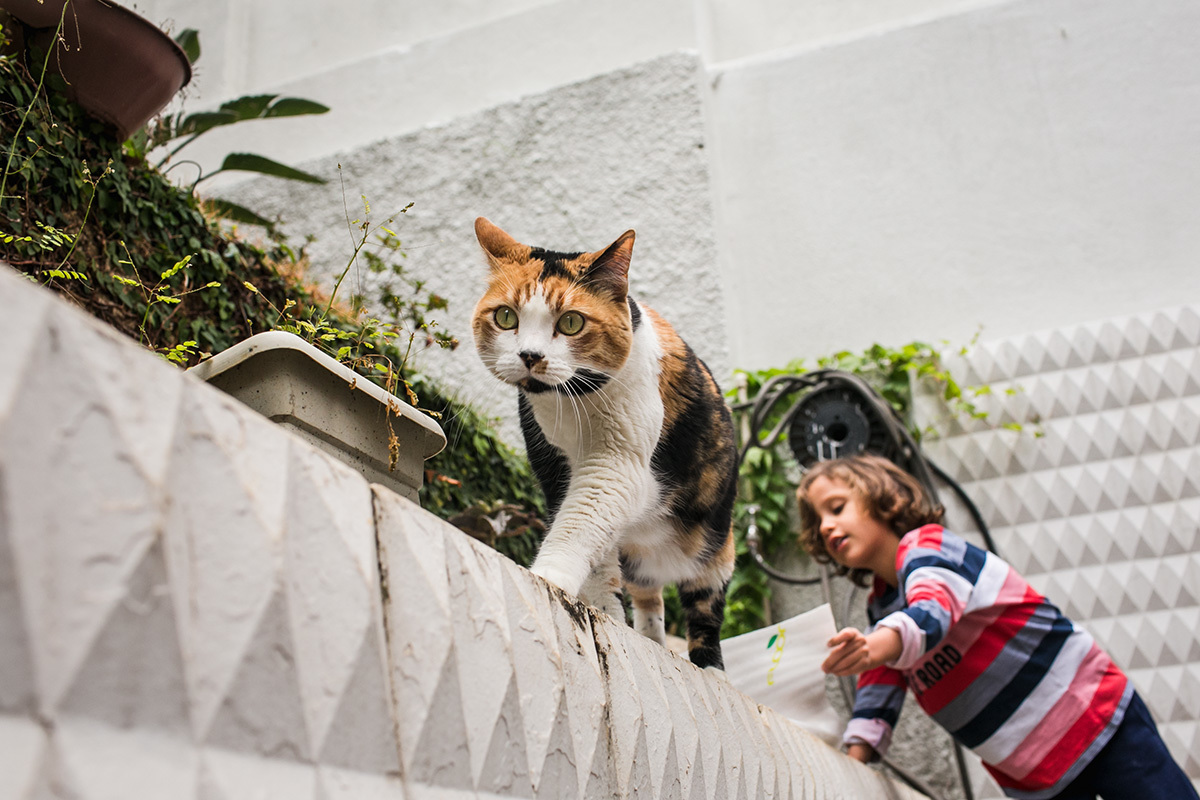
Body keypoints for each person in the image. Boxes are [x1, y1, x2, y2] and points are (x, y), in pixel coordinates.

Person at [796, 453, 1198, 800]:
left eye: (836, 507)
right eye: (818, 520)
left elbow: (932, 611)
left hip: (1091, 720)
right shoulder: (882, 608)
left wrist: (873, 646)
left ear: (881, 497)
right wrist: (851, 765)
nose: (826, 526)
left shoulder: (930, 547)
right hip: (1031, 771)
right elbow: (879, 689)